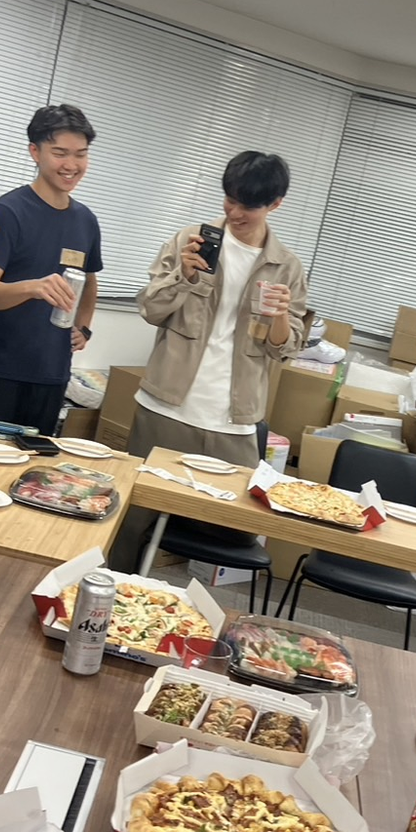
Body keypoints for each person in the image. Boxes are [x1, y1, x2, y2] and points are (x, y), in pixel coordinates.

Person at [107, 151, 307, 571]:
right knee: (132, 521)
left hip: (234, 420)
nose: (234, 212)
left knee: (236, 530)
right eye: (229, 199)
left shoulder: (287, 267)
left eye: (247, 205)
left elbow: (284, 349)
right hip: (166, 406)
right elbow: (151, 309)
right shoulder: (190, 240)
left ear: (275, 204)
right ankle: (112, 598)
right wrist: (184, 276)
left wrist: (280, 316)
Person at [0, 104, 101, 445]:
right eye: (60, 153)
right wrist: (33, 287)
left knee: (29, 469)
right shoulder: (8, 211)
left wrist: (84, 326)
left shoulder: (86, 221)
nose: (71, 165)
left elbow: (90, 280)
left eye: (80, 154)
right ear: (35, 151)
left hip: (52, 377)